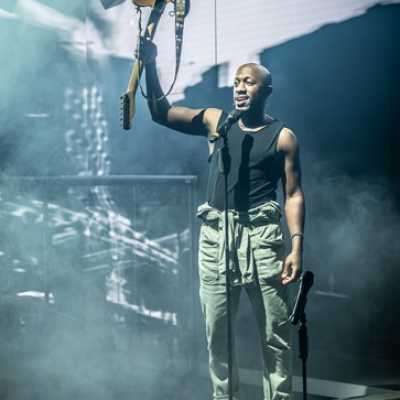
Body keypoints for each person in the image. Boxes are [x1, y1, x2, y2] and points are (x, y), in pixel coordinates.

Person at [141, 38, 305, 400]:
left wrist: (295, 246)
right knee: (217, 335)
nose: (240, 88)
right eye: (236, 82)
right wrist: (150, 65)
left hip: (262, 238)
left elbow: (293, 193)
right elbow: (161, 113)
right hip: (217, 239)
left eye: (249, 82)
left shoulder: (283, 138)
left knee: (275, 334)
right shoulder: (218, 122)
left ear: (267, 90)